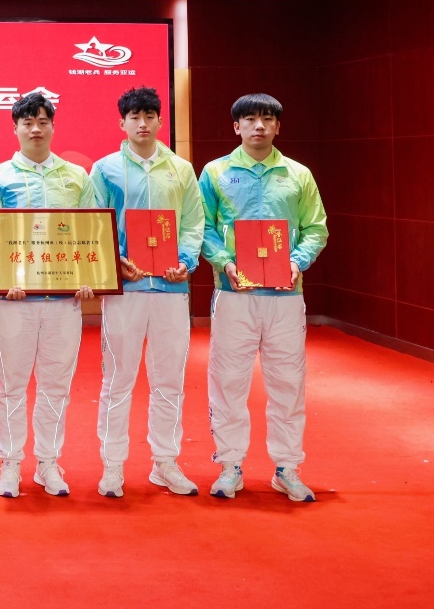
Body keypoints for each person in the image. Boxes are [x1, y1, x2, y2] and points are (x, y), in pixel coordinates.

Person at [199, 93, 327, 502]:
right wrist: (223, 262)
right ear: (236, 126)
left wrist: (297, 262)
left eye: (267, 119)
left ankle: (287, 468)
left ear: (277, 127)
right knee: (228, 381)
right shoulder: (215, 172)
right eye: (250, 119)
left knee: (288, 382)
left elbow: (316, 228)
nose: (259, 126)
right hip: (234, 293)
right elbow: (202, 226)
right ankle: (230, 465)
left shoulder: (298, 174)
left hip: (286, 296)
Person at [0, 92, 97, 498]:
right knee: (11, 385)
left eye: (42, 121)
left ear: (53, 127)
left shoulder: (76, 177)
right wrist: (2, 278)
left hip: (64, 301)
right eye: (27, 122)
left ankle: (48, 462)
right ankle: (10, 463)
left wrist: (88, 276)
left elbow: (90, 233)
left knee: (56, 385)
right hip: (16, 300)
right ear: (15, 128)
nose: (35, 129)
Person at [89, 86, 204, 498]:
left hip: (171, 288)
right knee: (118, 378)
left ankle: (165, 462)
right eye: (134, 116)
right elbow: (94, 222)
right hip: (127, 289)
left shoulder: (181, 170)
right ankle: (112, 465)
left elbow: (193, 222)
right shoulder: (105, 169)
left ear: (159, 121)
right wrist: (115, 259)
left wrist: (186, 260)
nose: (142, 123)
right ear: (121, 123)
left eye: (149, 116)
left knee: (169, 379)